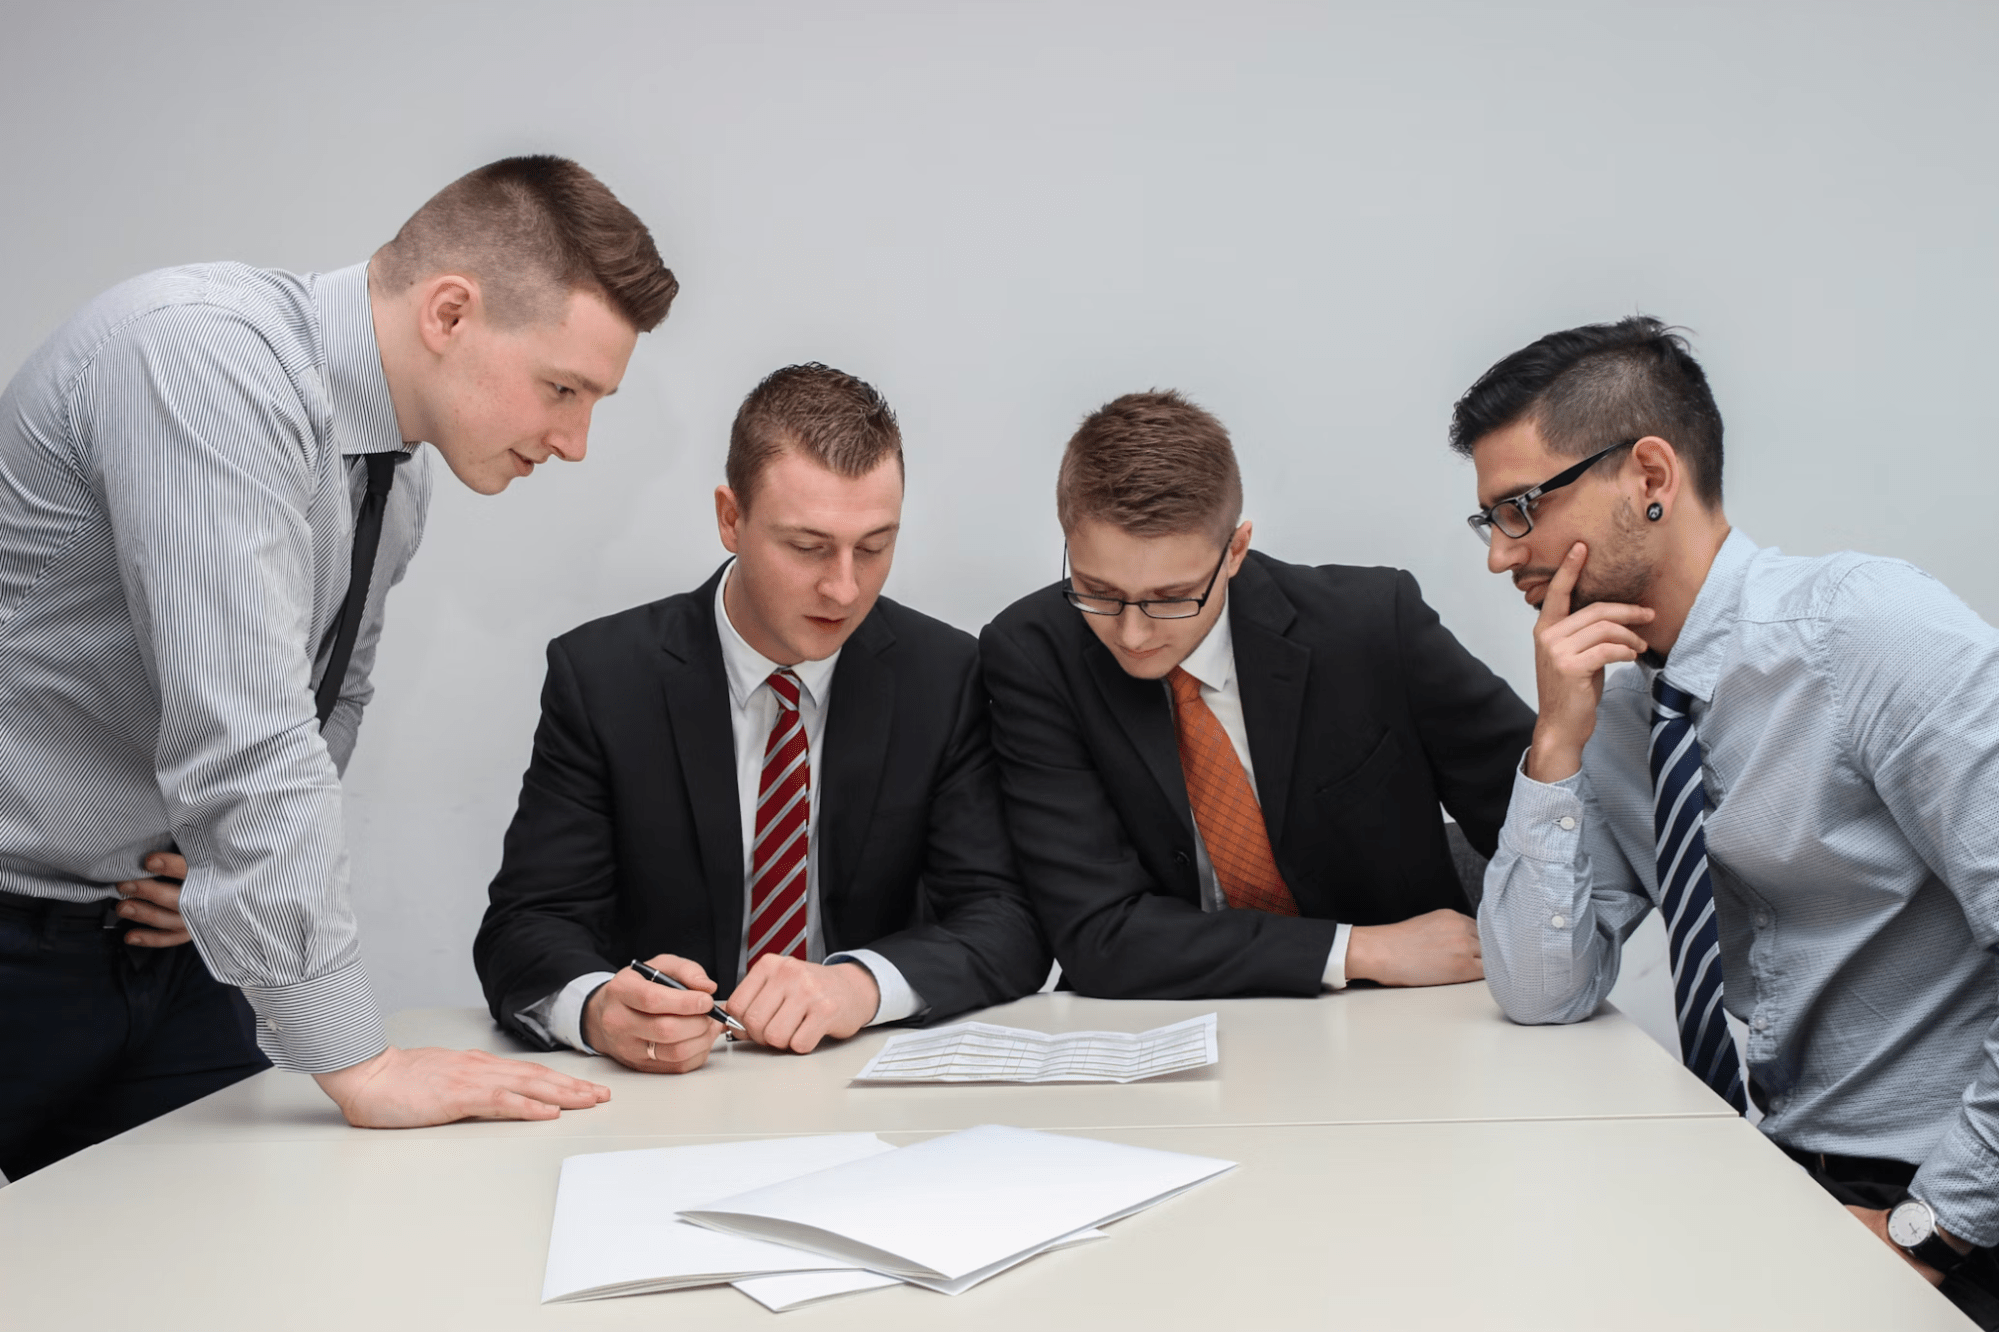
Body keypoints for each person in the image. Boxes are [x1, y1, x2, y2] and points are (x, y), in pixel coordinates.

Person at [0, 155, 680, 1179]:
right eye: (562, 388)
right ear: (449, 312)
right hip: (12, 938)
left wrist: (213, 875)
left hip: (153, 944)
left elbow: (330, 698)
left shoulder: (393, 477)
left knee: (240, 1258)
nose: (576, 441)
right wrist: (360, 1060)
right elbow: (248, 735)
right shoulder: (201, 357)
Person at [1455, 316, 1999, 1326]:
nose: (1500, 555)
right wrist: (1556, 746)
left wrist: (1935, 1225)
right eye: (1486, 519)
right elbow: (1537, 991)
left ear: (1648, 473)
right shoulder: (1617, 706)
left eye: (1521, 508)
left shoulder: (1869, 635)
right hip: (1790, 1179)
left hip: (1956, 1202)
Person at [473, 364, 1049, 1071]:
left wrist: (857, 984)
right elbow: (526, 926)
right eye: (806, 547)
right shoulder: (603, 678)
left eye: (873, 547)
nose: (843, 587)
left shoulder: (943, 675)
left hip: (858, 1079)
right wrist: (599, 1010)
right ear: (730, 518)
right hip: (664, 1093)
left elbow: (1006, 922)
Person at [978, 390, 1534, 1000]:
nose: (1132, 634)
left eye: (1171, 597)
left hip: (1406, 1018)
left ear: (1235, 550)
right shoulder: (1033, 654)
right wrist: (1358, 949)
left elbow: (1543, 829)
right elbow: (1099, 936)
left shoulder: (1372, 626)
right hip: (1163, 1023)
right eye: (1097, 590)